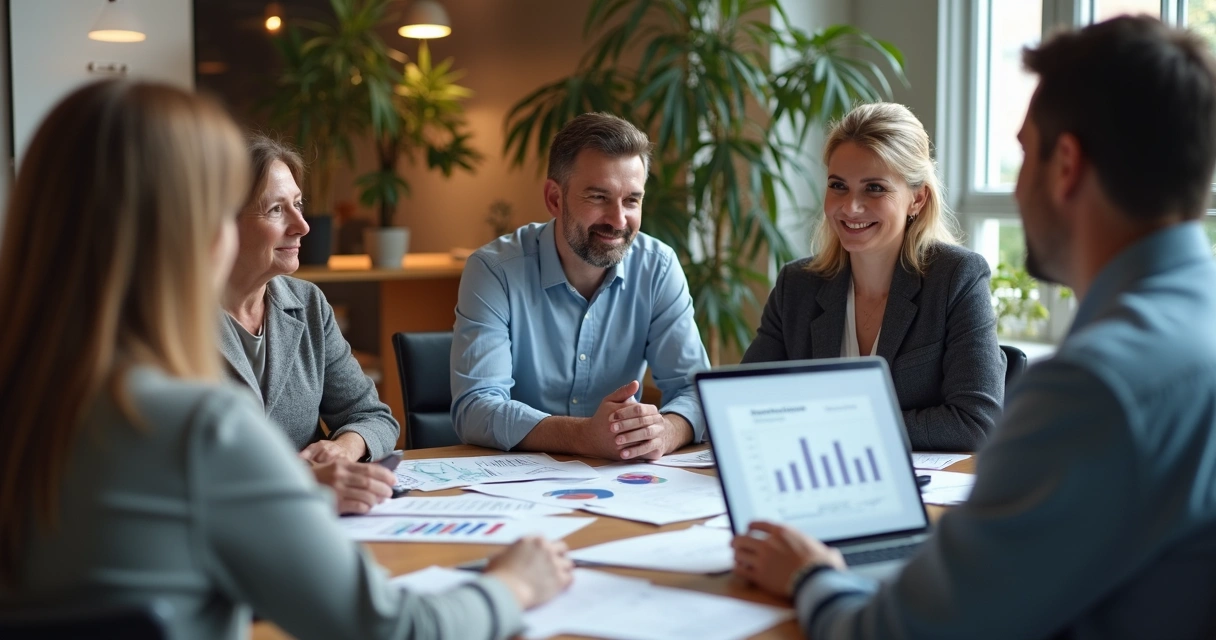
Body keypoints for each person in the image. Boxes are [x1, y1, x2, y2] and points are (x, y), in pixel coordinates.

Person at [0, 79, 572, 639]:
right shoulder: (198, 430)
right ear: (193, 231)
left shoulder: (32, 396)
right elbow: (395, 629)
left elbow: (370, 416)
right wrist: (513, 583)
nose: (301, 226)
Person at [732, 16, 1216, 639]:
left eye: (1022, 153)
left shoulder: (1094, 389)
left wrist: (811, 577)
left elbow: (897, 633)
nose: (1014, 187)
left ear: (1065, 165)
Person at [741, 102, 1004, 452]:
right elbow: (743, 404)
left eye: (874, 188)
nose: (850, 207)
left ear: (917, 198)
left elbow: (976, 423)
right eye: (838, 186)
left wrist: (841, 426)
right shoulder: (797, 286)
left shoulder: (957, 278)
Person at [451, 112, 710, 460]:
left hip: (625, 487)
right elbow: (476, 408)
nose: (618, 221)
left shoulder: (658, 267)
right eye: (599, 197)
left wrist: (664, 432)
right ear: (555, 199)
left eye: (631, 200)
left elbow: (695, 391)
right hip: (518, 486)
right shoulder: (494, 270)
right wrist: (584, 436)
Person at [221, 135, 399, 514]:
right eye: (275, 210)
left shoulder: (308, 304)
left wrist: (345, 447)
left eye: (299, 206)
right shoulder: (171, 322)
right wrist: (303, 484)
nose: (302, 225)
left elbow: (373, 416)